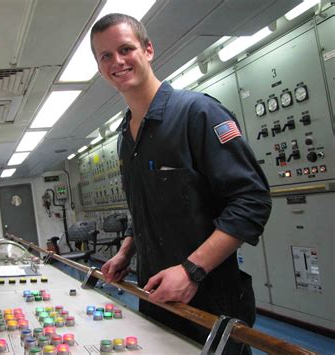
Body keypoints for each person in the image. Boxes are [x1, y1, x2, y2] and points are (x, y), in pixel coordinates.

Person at [90, 13, 272, 353]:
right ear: (100, 68)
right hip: (156, 297)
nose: (117, 61)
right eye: (105, 56)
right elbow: (146, 208)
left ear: (148, 49)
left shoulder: (198, 113)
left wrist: (191, 271)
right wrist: (126, 252)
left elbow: (252, 200)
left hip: (211, 300)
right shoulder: (125, 137)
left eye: (125, 48)